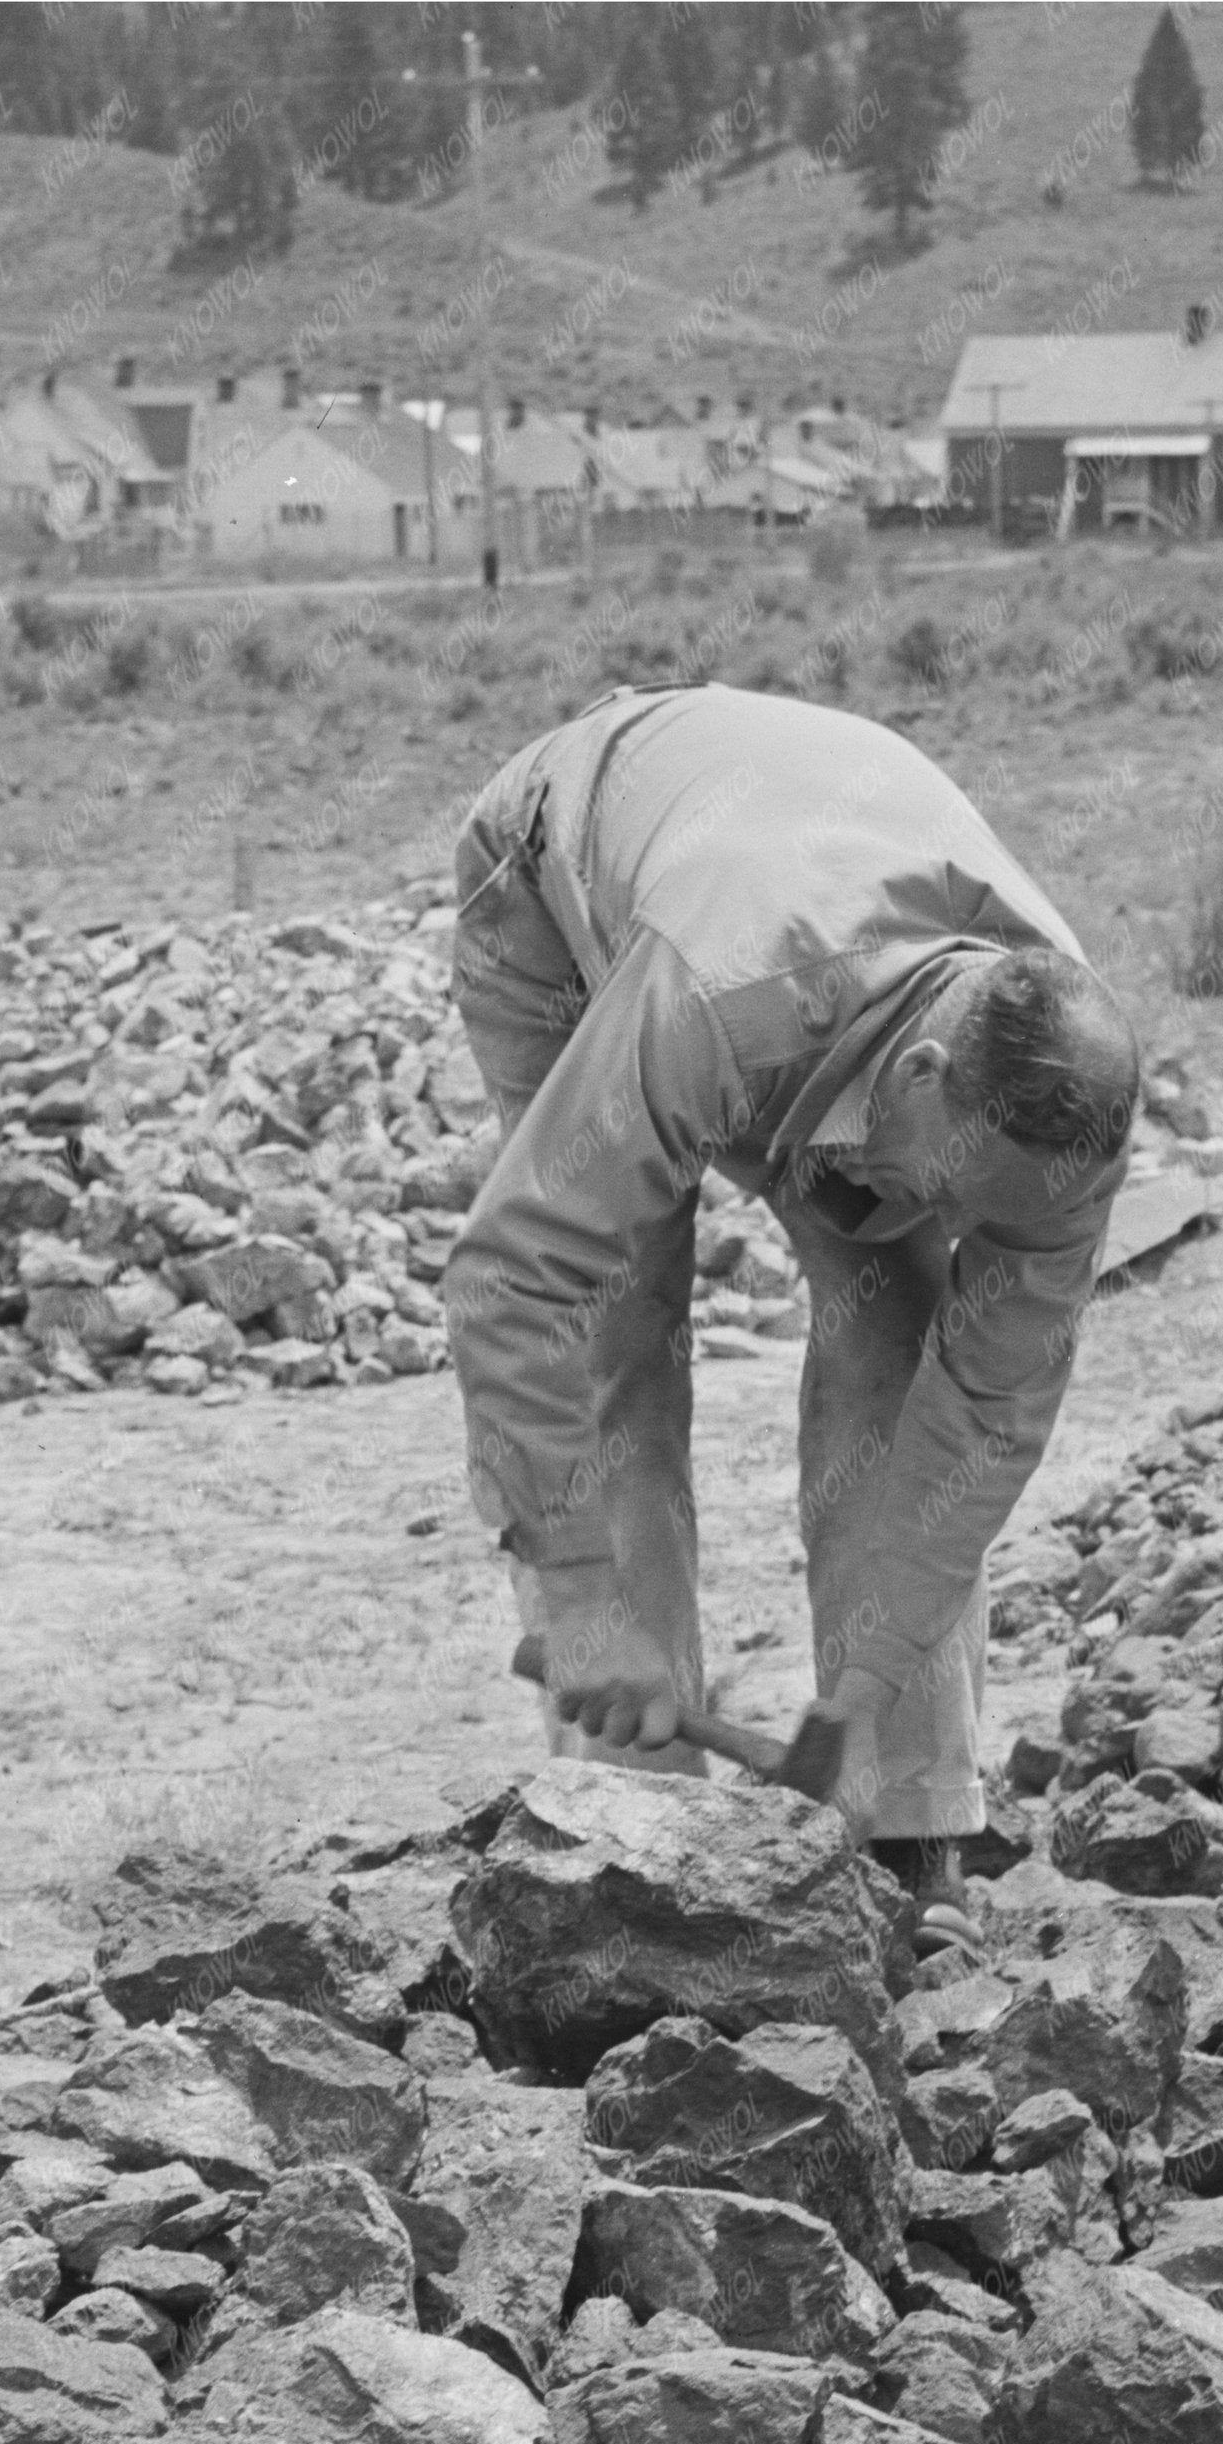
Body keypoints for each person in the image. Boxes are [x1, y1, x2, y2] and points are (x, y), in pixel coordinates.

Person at [438, 681, 1142, 1888]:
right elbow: (516, 1282)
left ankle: (910, 1835)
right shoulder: (713, 999)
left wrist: (864, 1693)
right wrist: (579, 1591)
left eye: (998, 1218)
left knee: (907, 1327)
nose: (972, 1231)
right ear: (919, 1077)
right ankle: (633, 1852)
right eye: (964, 1194)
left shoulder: (1061, 1111)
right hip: (570, 887)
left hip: (815, 933)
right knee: (622, 1324)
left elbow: (983, 1409)